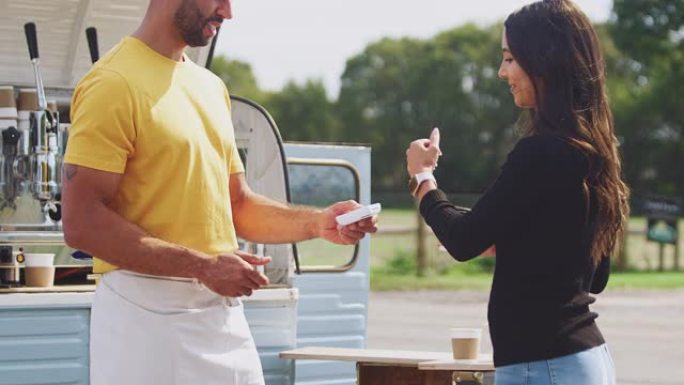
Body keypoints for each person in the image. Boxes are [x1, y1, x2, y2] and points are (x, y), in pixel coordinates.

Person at [61, 0, 377, 384]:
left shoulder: (210, 88)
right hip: (145, 321)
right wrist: (203, 266)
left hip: (220, 314)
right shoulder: (112, 82)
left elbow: (237, 204)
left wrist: (318, 223)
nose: (228, 13)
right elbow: (82, 223)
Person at [405, 1, 628, 384]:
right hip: (587, 360)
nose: (501, 71)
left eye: (510, 58)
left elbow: (463, 239)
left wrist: (423, 178)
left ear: (543, 61)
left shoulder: (540, 151)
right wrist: (518, 242)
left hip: (544, 365)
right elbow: (593, 276)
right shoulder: (592, 150)